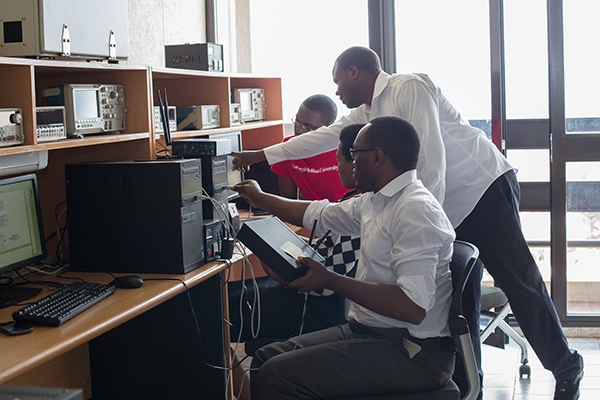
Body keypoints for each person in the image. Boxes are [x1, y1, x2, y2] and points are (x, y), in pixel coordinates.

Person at [231, 46, 584, 400]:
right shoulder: (366, 113)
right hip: (436, 206)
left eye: (338, 81)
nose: (337, 91)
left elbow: (433, 161)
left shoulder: (407, 88)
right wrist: (260, 155)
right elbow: (320, 137)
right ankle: (468, 387)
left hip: (481, 189)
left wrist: (422, 219)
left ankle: (567, 367)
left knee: (521, 284)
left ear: (355, 71)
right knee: (460, 304)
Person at [235, 116, 456, 399]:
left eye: (354, 153)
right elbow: (316, 214)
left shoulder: (415, 210)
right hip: (370, 331)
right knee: (265, 359)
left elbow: (412, 307)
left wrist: (330, 280)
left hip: (412, 350)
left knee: (277, 376)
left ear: (377, 156)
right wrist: (260, 198)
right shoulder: (376, 200)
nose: (350, 162)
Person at [228, 124, 364, 343]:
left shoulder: (359, 210)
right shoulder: (359, 201)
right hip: (319, 304)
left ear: (357, 162)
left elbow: (315, 283)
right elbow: (326, 248)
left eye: (338, 160)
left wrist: (269, 255)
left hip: (314, 309)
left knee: (220, 305)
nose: (336, 167)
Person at [271, 94, 350, 201]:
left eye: (308, 127)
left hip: (345, 212)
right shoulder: (288, 147)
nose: (299, 130)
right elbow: (288, 201)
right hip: (310, 214)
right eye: (297, 121)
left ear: (329, 127)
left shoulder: (344, 148)